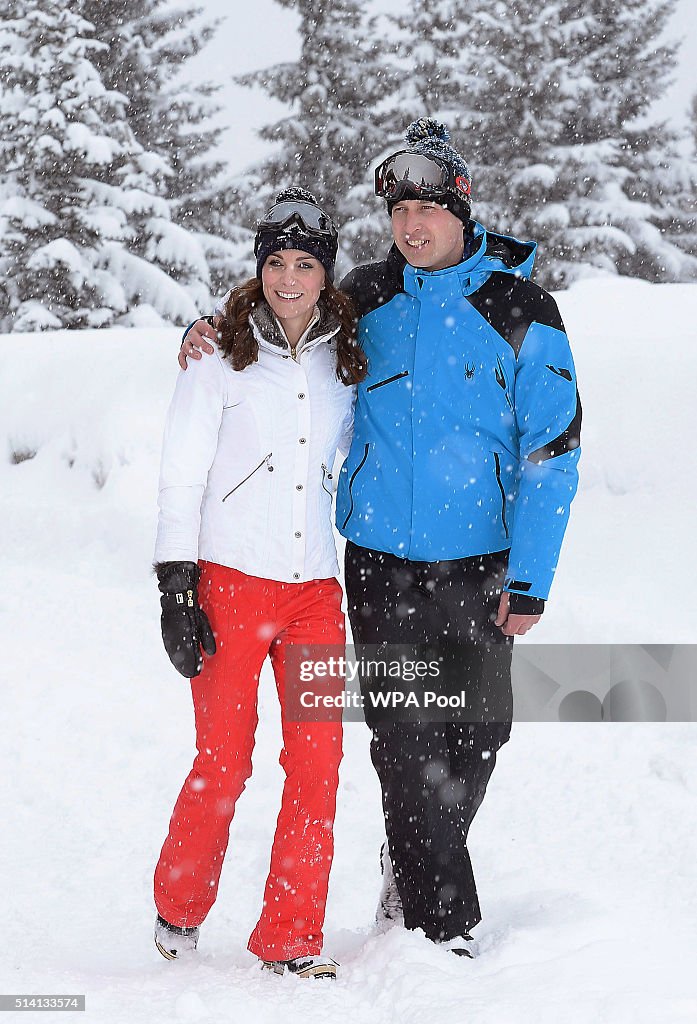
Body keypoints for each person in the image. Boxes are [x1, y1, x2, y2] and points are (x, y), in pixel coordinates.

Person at [181, 119, 581, 958]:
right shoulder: (363, 296)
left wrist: (532, 577)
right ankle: (442, 924)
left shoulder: (520, 309)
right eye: (398, 209)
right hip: (377, 565)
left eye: (426, 208)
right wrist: (199, 333)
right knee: (404, 735)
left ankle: (414, 856)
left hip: (482, 564)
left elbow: (552, 451)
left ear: (461, 209)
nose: (410, 226)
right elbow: (275, 323)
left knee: (476, 736)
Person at [152, 187, 366, 980]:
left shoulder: (348, 353)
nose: (287, 277)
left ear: (324, 273)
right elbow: (180, 474)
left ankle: (291, 935)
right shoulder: (218, 353)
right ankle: (178, 902)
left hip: (315, 590)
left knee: (317, 764)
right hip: (229, 582)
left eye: (304, 263)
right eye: (275, 261)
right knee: (225, 760)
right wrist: (176, 585)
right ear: (258, 267)